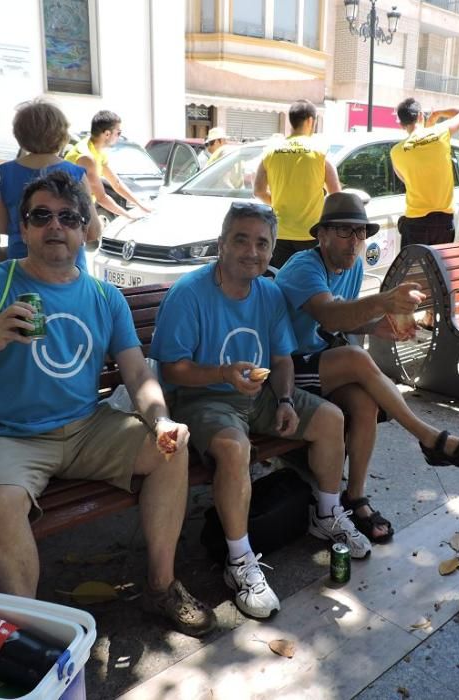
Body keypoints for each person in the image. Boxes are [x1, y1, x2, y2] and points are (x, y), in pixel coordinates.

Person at [0, 170, 216, 637]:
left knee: (171, 449)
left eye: (68, 217)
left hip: (85, 427)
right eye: (41, 216)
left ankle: (161, 587)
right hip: (5, 435)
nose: (55, 226)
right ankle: (28, 636)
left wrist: (161, 420)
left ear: (85, 230)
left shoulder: (104, 296)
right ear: (24, 229)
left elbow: (137, 373)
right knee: (1, 503)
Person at [150, 201, 371, 619]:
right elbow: (172, 369)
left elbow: (283, 358)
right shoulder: (190, 293)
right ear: (222, 244)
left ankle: (326, 514)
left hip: (260, 393)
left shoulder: (269, 292)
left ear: (272, 252)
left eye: (262, 244)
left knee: (330, 418)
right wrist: (222, 373)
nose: (252, 251)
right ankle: (239, 561)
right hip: (202, 397)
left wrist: (286, 399)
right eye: (241, 240)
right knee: (235, 449)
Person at [275, 192, 459, 544]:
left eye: (361, 233)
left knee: (365, 402)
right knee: (357, 359)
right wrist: (384, 302)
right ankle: (429, 438)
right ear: (322, 235)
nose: (355, 242)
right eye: (345, 232)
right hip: (281, 367)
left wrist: (377, 324)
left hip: (317, 362)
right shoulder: (304, 268)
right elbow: (329, 314)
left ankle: (355, 497)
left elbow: (345, 319)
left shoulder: (353, 265)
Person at [0, 100, 100, 268]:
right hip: (69, 270)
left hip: (21, 270)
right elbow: (93, 231)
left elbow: (3, 226)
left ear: (19, 135)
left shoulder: (7, 173)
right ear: (62, 134)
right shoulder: (75, 173)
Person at [253, 100, 341, 269]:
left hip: (279, 234)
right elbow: (336, 194)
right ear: (310, 121)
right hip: (312, 234)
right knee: (310, 285)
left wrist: (278, 202)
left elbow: (258, 191)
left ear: (291, 121)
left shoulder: (270, 152)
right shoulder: (320, 151)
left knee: (280, 283)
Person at [390, 100, 459, 247]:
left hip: (415, 222)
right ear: (421, 116)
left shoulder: (396, 152)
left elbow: (405, 179)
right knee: (438, 268)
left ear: (401, 124)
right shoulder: (441, 131)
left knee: (414, 269)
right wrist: (438, 113)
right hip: (443, 221)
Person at [64, 109, 152, 220]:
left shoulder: (97, 149)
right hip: (70, 214)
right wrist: (128, 215)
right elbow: (101, 197)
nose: (119, 136)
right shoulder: (86, 157)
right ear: (107, 134)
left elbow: (116, 183)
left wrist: (141, 205)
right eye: (118, 133)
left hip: (80, 210)